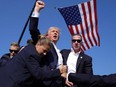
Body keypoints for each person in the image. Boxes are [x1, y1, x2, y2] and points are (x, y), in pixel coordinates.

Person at [0, 35, 67, 87]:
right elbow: (39, 75)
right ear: (38, 44)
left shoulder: (29, 48)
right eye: (44, 50)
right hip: (10, 83)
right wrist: (59, 71)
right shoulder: (31, 55)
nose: (45, 54)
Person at [29, 1, 65, 87]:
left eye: (57, 32)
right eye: (53, 31)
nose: (55, 33)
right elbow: (33, 30)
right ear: (47, 35)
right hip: (44, 82)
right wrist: (37, 10)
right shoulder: (43, 42)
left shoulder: (59, 52)